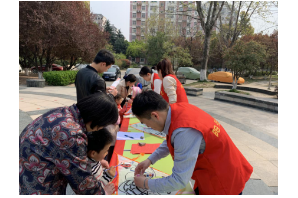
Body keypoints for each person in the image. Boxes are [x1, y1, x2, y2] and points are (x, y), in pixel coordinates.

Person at [131, 90, 253, 195]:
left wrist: (146, 183)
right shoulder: (176, 110)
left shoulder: (184, 130)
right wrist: (150, 160)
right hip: (215, 168)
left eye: (146, 124)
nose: (148, 127)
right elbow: (172, 138)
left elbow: (179, 181)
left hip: (222, 180)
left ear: (155, 115)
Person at [19, 92, 119, 195]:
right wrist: (103, 192)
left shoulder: (65, 112)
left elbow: (70, 156)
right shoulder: (72, 134)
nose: (100, 129)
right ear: (97, 120)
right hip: (39, 185)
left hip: (26, 172)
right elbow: (83, 182)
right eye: (103, 125)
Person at [66, 128, 116, 195]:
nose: (107, 153)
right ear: (93, 153)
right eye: (105, 151)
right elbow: (94, 188)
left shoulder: (85, 157)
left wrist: (99, 161)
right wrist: (107, 178)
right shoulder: (88, 171)